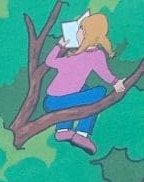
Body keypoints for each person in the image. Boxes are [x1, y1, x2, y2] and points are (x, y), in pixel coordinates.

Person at [43, 12, 125, 155]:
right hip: (55, 101)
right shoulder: (90, 55)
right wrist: (115, 82)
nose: (77, 31)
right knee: (99, 92)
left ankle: (63, 130)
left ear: (87, 33)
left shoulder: (79, 55)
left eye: (80, 28)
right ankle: (81, 133)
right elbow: (104, 73)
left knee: (86, 89)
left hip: (53, 101)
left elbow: (50, 61)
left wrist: (59, 46)